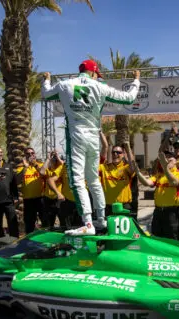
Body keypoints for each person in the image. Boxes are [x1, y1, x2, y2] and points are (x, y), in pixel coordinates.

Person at [41, 61, 140, 235]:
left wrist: (47, 80)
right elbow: (129, 98)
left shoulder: (65, 84)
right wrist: (136, 80)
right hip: (94, 136)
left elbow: (46, 94)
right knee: (93, 179)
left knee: (77, 180)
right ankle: (100, 219)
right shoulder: (100, 86)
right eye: (97, 74)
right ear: (93, 73)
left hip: (76, 135)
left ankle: (88, 223)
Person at [134, 151, 179, 240]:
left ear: (176, 161)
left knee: (173, 239)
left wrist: (165, 168)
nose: (167, 160)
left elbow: (174, 182)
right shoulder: (159, 175)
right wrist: (138, 173)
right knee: (157, 239)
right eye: (165, 158)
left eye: (170, 158)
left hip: (172, 213)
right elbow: (147, 182)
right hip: (158, 212)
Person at [99, 141, 135, 217]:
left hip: (124, 206)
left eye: (118, 152)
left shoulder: (126, 168)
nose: (115, 154)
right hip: (108, 207)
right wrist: (105, 144)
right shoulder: (105, 168)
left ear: (123, 155)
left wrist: (128, 149)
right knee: (108, 228)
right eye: (113, 152)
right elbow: (97, 162)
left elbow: (133, 167)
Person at [15, 147, 46, 234]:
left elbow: (44, 175)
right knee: (29, 224)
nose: (31, 155)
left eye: (32, 153)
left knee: (45, 222)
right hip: (28, 200)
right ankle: (29, 243)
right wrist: (25, 167)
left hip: (41, 198)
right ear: (25, 156)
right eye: (28, 154)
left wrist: (35, 165)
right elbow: (17, 181)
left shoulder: (40, 165)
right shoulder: (21, 167)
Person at [46, 162, 81, 229]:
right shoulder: (64, 166)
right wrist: (58, 193)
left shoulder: (85, 164)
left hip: (82, 203)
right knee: (66, 229)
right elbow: (50, 180)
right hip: (67, 203)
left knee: (82, 229)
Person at [39, 150, 65, 228]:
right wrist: (48, 158)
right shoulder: (48, 170)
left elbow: (64, 164)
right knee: (47, 223)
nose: (54, 161)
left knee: (63, 221)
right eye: (53, 160)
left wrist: (57, 156)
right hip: (48, 199)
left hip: (59, 199)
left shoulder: (61, 169)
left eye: (55, 159)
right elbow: (41, 172)